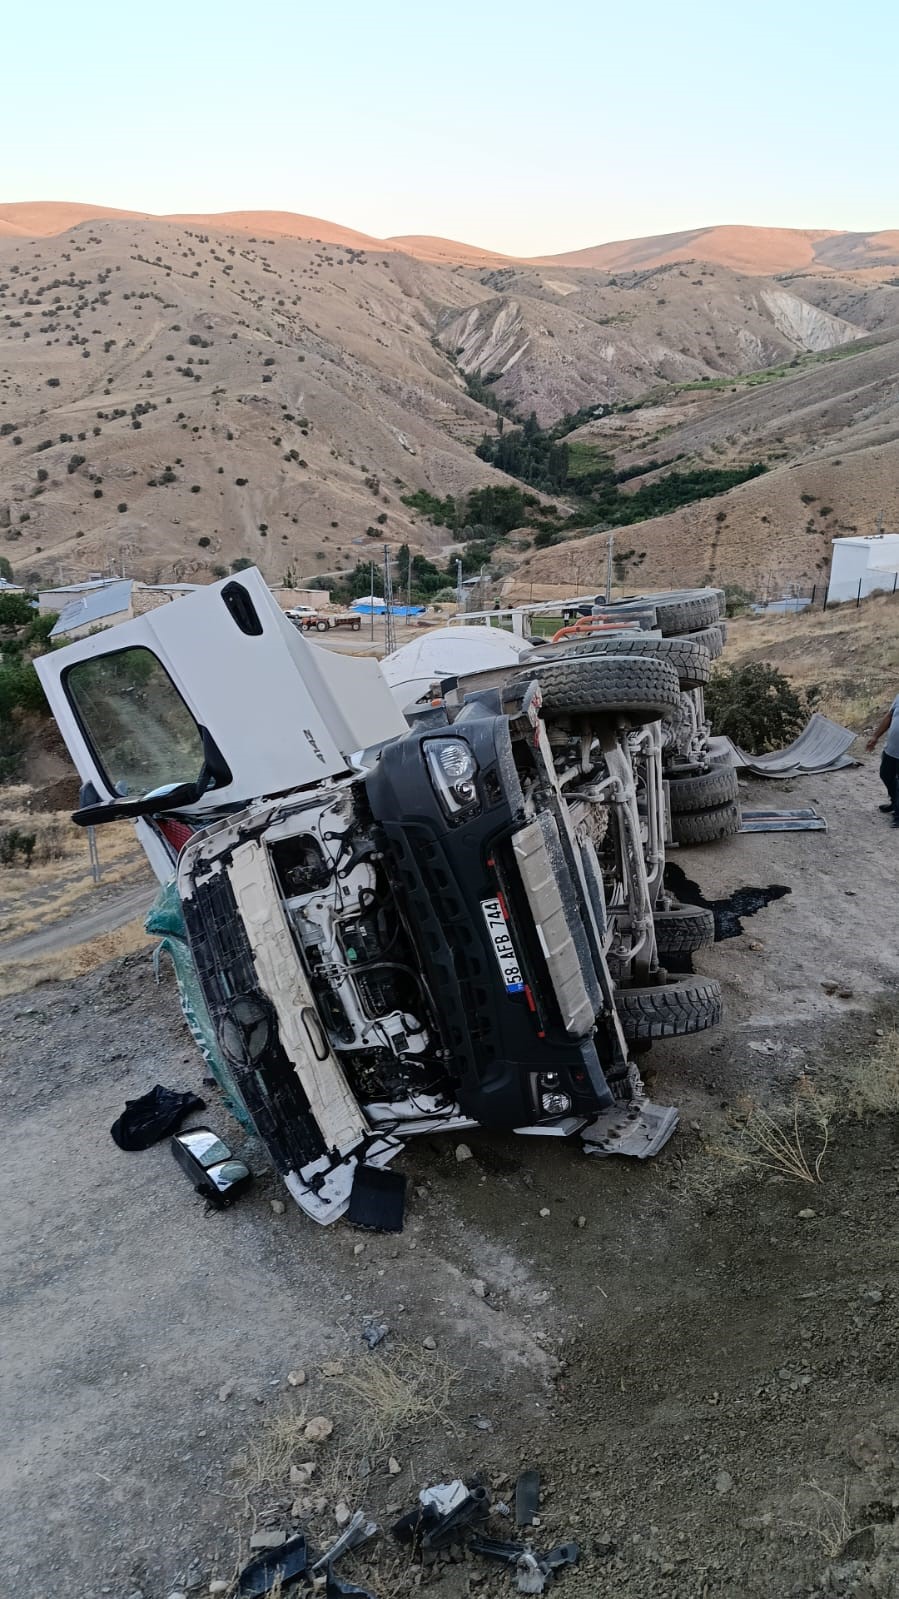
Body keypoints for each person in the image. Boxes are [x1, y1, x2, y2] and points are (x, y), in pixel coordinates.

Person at [866, 695, 899, 823]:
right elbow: (889, 716)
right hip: (891, 749)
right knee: (886, 775)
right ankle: (895, 802)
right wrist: (875, 737)